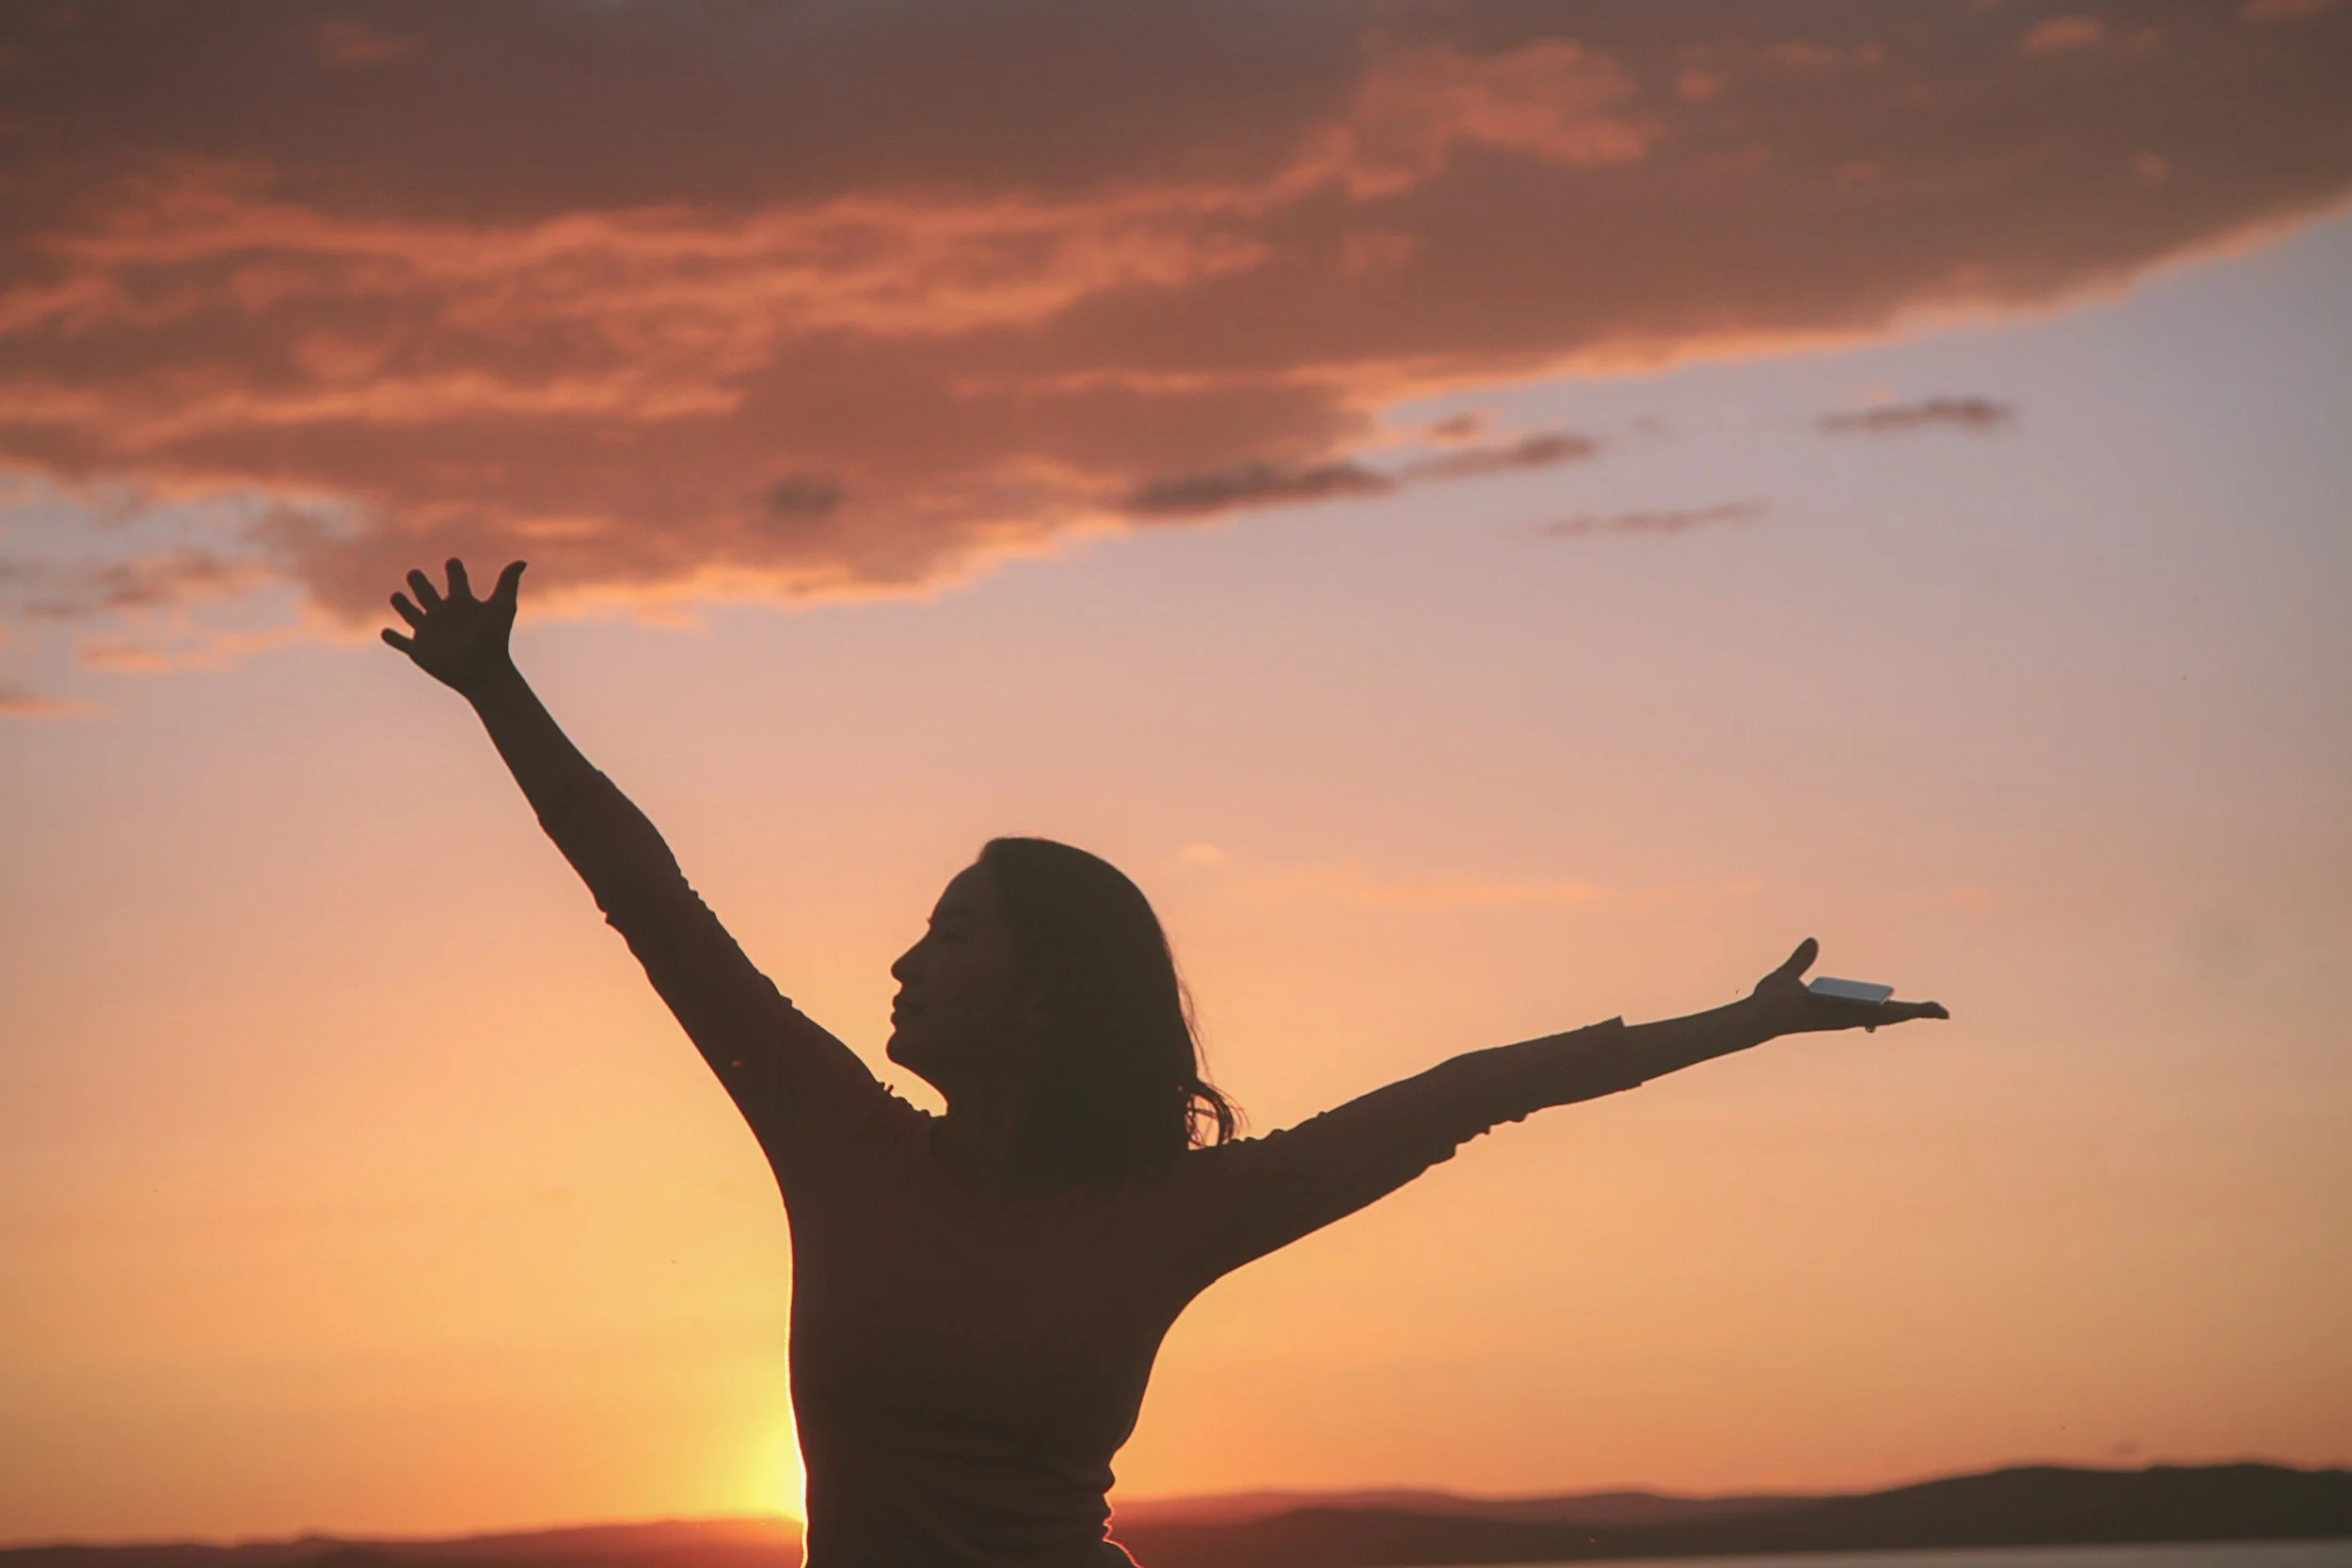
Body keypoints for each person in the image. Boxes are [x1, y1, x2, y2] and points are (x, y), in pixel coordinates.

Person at [383, 558, 1948, 1567]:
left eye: (952, 936)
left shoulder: (1164, 1215)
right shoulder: (835, 1138)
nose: (904, 963)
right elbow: (653, 901)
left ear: (1049, 996)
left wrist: (1744, 1021)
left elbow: (1475, 1088)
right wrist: (498, 688)